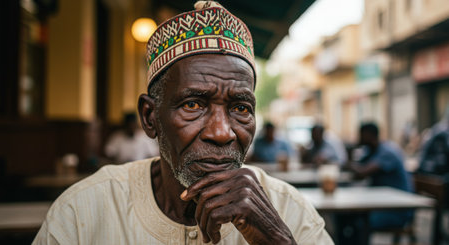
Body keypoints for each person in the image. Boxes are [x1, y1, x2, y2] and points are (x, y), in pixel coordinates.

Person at [33, 2, 332, 244]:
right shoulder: (82, 213)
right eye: (193, 104)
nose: (221, 132)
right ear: (150, 118)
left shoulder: (288, 210)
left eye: (240, 108)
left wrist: (277, 241)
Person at [349, 122, 414, 229]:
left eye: (361, 134)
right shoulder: (371, 150)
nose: (359, 137)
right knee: (348, 217)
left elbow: (362, 172)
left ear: (368, 135)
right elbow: (357, 173)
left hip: (397, 210)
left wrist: (353, 150)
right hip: (382, 204)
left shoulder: (387, 151)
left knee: (359, 221)